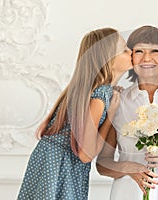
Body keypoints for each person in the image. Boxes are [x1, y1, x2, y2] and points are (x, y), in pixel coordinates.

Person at [17, 28, 133, 200]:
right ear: (108, 59)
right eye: (124, 50)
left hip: (54, 162)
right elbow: (85, 155)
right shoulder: (99, 96)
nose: (130, 52)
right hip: (58, 165)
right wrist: (110, 116)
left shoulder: (99, 91)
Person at [96, 25, 158, 200]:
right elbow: (102, 163)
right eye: (139, 51)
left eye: (155, 51)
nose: (147, 58)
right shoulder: (117, 100)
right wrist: (126, 167)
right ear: (130, 56)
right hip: (127, 193)